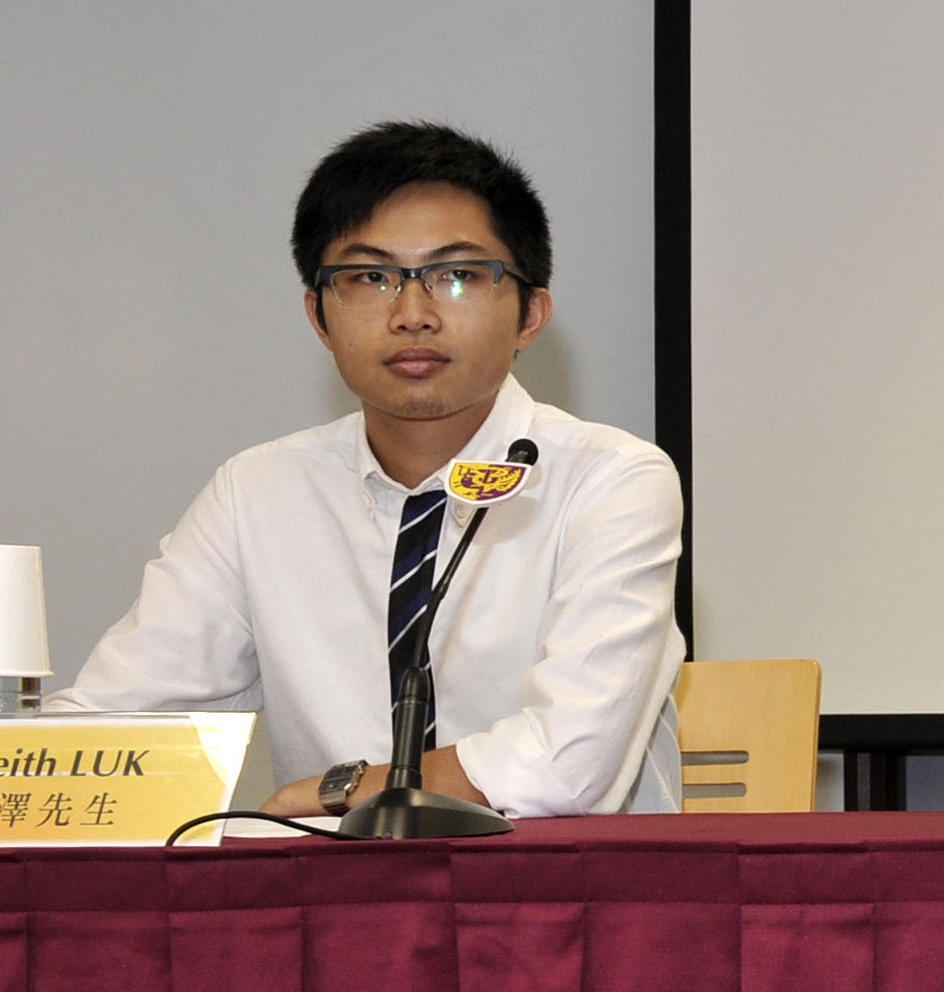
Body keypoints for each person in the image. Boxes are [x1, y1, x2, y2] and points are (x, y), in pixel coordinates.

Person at [57, 121, 686, 817]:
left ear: (531, 313)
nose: (412, 314)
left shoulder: (612, 481)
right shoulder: (257, 494)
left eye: (457, 276)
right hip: (334, 913)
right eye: (371, 277)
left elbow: (567, 765)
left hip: (563, 907)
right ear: (318, 316)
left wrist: (342, 788)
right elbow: (112, 722)